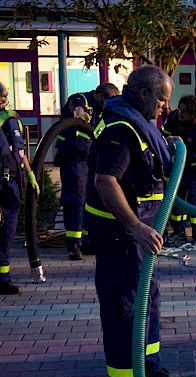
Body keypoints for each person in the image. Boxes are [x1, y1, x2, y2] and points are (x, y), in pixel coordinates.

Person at [86, 65, 185, 377]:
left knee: (148, 302)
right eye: (161, 99)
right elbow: (105, 181)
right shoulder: (122, 129)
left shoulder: (137, 123)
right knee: (125, 309)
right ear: (143, 93)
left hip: (141, 237)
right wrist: (135, 227)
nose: (165, 107)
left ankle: (148, 370)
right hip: (121, 237)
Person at [55, 83, 120, 260]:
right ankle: (74, 245)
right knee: (75, 200)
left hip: (91, 159)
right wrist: (80, 114)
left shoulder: (102, 110)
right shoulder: (82, 99)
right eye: (107, 101)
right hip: (73, 157)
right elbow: (76, 107)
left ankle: (87, 240)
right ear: (99, 96)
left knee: (90, 200)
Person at [0, 82, 39, 295]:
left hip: (12, 182)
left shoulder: (12, 120)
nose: (2, 101)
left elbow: (20, 151)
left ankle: (3, 278)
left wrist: (30, 172)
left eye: (4, 97)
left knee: (7, 233)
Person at [161, 95, 196, 251]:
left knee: (195, 203)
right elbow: (161, 136)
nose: (180, 113)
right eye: (179, 109)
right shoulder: (173, 118)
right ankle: (179, 233)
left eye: (185, 111)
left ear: (193, 113)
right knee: (176, 203)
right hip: (178, 167)